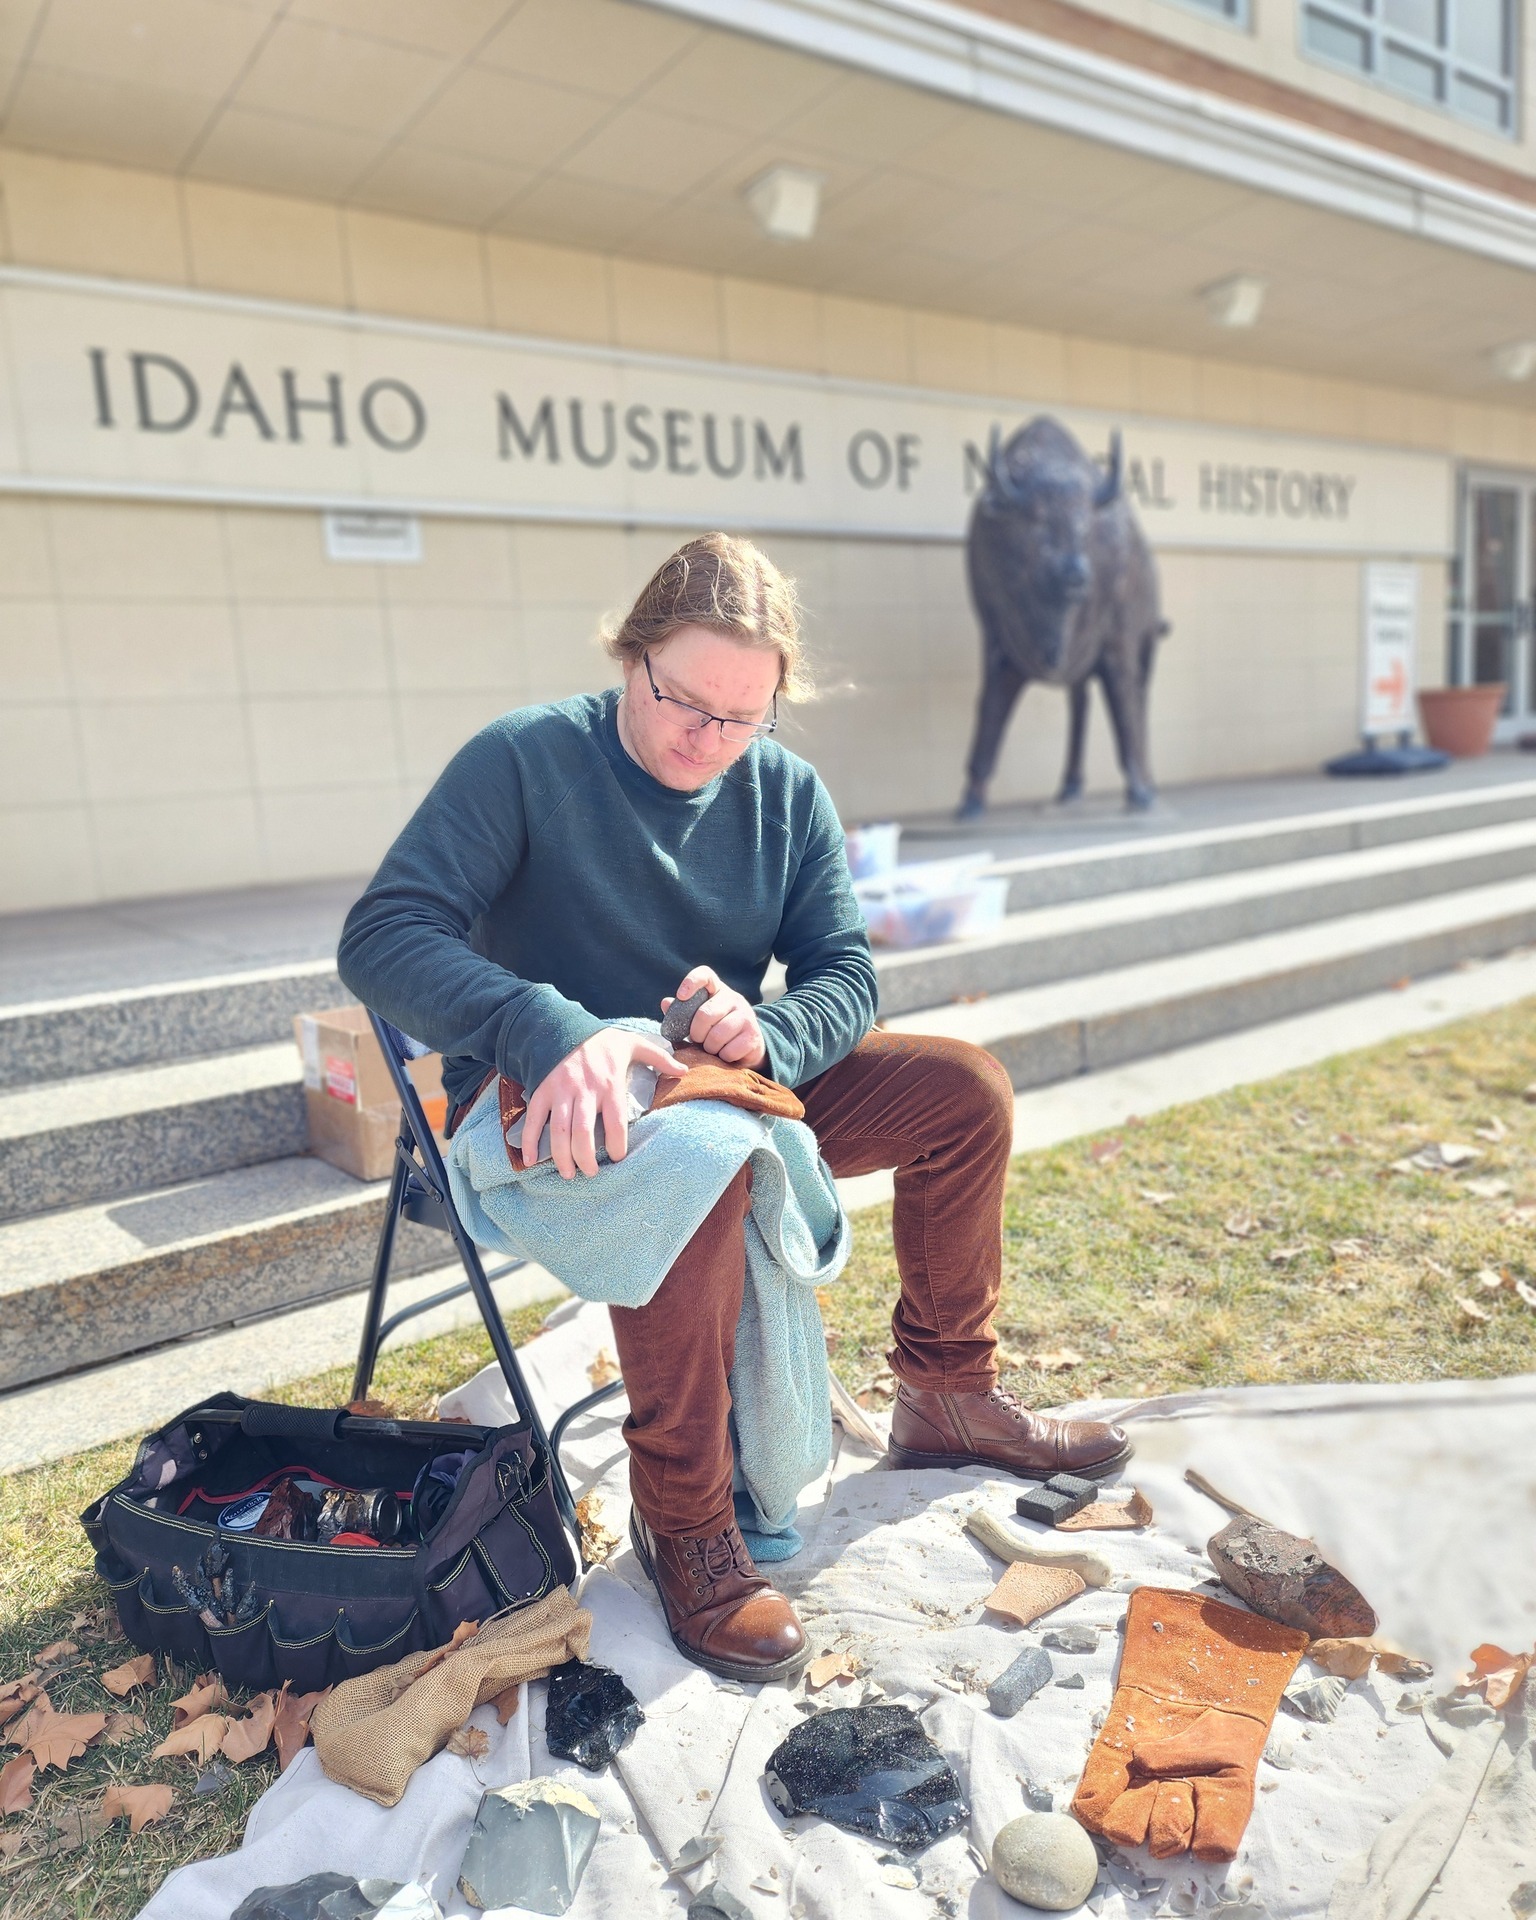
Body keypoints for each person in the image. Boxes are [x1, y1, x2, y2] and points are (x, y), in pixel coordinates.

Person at [338, 532, 1129, 1684]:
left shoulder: (783, 791)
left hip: (725, 1081)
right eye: (685, 702)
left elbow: (845, 975)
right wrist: (549, 1025)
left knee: (964, 1092)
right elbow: (381, 937)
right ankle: (688, 1521)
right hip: (539, 1102)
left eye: (744, 717)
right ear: (632, 657)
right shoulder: (523, 760)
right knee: (700, 1157)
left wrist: (773, 1030)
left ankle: (948, 1395)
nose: (708, 740)